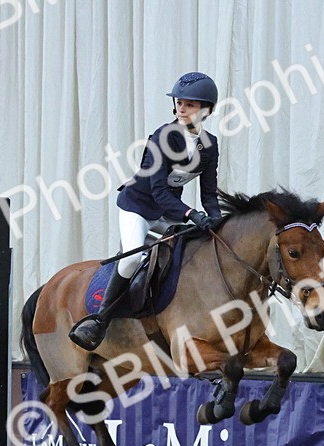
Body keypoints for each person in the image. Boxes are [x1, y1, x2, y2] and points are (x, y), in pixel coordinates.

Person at [69, 71, 223, 351]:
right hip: (139, 207)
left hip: (169, 211)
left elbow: (209, 193)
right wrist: (190, 214)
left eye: (190, 104)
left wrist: (215, 219)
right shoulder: (163, 137)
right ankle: (100, 321)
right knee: (131, 260)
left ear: (207, 110)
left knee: (195, 249)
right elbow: (159, 192)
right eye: (180, 103)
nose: (182, 108)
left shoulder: (209, 145)